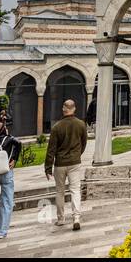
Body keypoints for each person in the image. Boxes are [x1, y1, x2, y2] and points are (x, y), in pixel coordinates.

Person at [45, 98, 88, 231]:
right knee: (75, 189)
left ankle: (61, 218)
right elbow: (84, 142)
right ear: (74, 109)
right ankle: (76, 217)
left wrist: (48, 167)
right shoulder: (81, 124)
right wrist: (77, 154)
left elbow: (51, 149)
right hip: (75, 162)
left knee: (60, 191)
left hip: (60, 164)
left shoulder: (57, 127)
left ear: (63, 110)